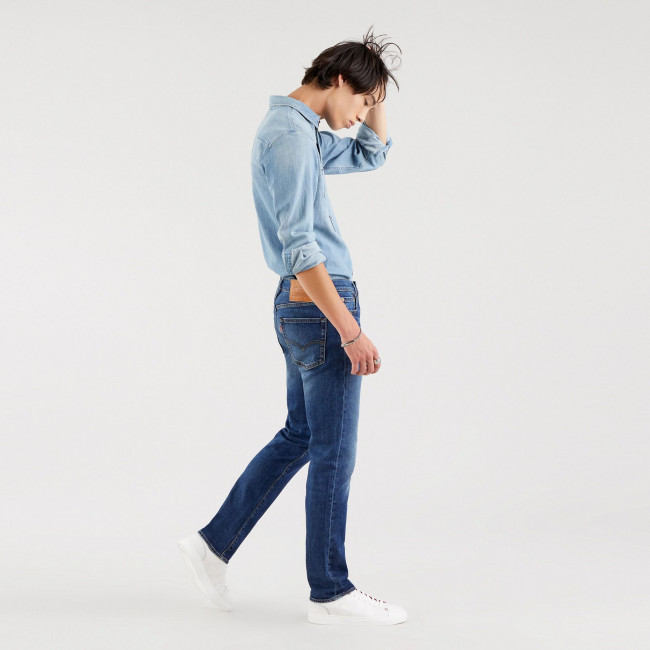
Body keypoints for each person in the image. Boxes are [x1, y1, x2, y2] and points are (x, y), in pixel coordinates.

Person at [178, 27, 406, 625]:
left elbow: (372, 154)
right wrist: (350, 330)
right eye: (362, 101)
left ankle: (212, 546)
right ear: (338, 80)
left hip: (306, 305)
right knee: (334, 451)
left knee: (303, 436)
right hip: (319, 305)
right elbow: (301, 246)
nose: (362, 116)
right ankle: (329, 591)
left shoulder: (300, 132)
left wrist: (379, 93)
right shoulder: (288, 136)